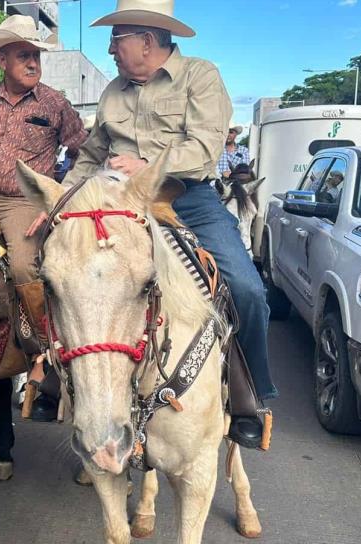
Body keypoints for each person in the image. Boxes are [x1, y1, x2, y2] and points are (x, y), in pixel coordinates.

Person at [65, 0, 275, 448]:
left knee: (247, 289)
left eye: (116, 38)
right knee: (68, 273)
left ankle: (252, 395)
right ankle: (61, 386)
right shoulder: (113, 92)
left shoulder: (201, 76)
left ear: (147, 39)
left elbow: (203, 150)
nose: (110, 49)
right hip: (121, 200)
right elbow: (89, 155)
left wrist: (144, 165)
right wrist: (61, 203)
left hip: (186, 198)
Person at [0, 14, 87, 421]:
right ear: (3, 60)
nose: (33, 63)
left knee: (25, 265)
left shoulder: (54, 102)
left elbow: (84, 151)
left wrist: (60, 199)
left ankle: (44, 347)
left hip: (25, 202)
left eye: (36, 56)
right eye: (24, 55)